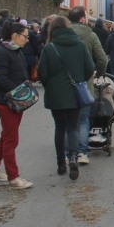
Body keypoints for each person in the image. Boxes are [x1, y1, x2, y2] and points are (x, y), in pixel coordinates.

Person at [38, 16, 95, 181]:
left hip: (56, 93)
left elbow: (43, 72)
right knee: (73, 127)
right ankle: (73, 157)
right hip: (75, 92)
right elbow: (90, 67)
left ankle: (60, 162)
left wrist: (51, 84)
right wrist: (80, 79)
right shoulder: (79, 45)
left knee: (59, 127)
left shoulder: (49, 47)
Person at [0, 21, 35, 188]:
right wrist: (20, 91)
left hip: (15, 102)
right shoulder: (1, 52)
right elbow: (0, 80)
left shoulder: (16, 51)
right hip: (7, 102)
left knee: (5, 137)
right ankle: (13, 177)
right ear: (14, 35)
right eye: (25, 36)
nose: (27, 40)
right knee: (11, 140)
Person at [67, 6, 108, 165]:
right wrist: (98, 74)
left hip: (64, 83)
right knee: (84, 119)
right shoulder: (91, 36)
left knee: (66, 120)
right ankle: (82, 152)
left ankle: (67, 152)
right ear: (83, 19)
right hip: (85, 82)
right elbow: (102, 59)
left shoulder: (61, 34)